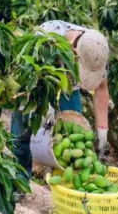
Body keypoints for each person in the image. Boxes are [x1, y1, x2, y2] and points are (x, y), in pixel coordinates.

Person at [11, 20, 111, 177]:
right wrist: (46, 106)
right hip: (35, 85)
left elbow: (101, 87)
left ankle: (66, 181)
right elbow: (27, 76)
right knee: (21, 132)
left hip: (69, 88)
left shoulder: (98, 49)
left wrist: (102, 130)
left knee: (72, 134)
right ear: (73, 51)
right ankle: (20, 179)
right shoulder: (45, 39)